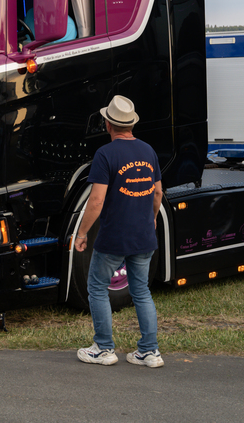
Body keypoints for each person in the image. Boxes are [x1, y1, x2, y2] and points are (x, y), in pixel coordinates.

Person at [74, 95, 164, 368]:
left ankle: (103, 348)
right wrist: (153, 218)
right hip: (143, 235)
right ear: (131, 124)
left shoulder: (105, 154)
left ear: (108, 124)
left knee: (97, 287)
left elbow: (96, 201)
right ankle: (149, 352)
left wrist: (81, 233)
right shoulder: (149, 151)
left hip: (115, 236)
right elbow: (158, 192)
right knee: (141, 291)